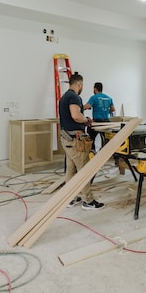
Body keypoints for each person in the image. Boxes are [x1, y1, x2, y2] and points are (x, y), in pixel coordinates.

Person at [58, 72, 105, 210]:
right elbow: (76, 116)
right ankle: (88, 201)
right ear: (79, 84)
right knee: (84, 170)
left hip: (66, 138)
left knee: (71, 170)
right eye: (82, 85)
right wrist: (87, 120)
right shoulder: (74, 96)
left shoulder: (64, 97)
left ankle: (70, 198)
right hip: (74, 140)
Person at [84, 82, 115, 150]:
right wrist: (106, 111)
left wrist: (78, 108)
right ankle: (104, 153)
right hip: (107, 122)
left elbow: (86, 107)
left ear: (95, 89)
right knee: (106, 139)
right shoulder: (109, 98)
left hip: (97, 122)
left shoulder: (94, 97)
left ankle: (92, 153)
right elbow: (113, 109)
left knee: (91, 138)